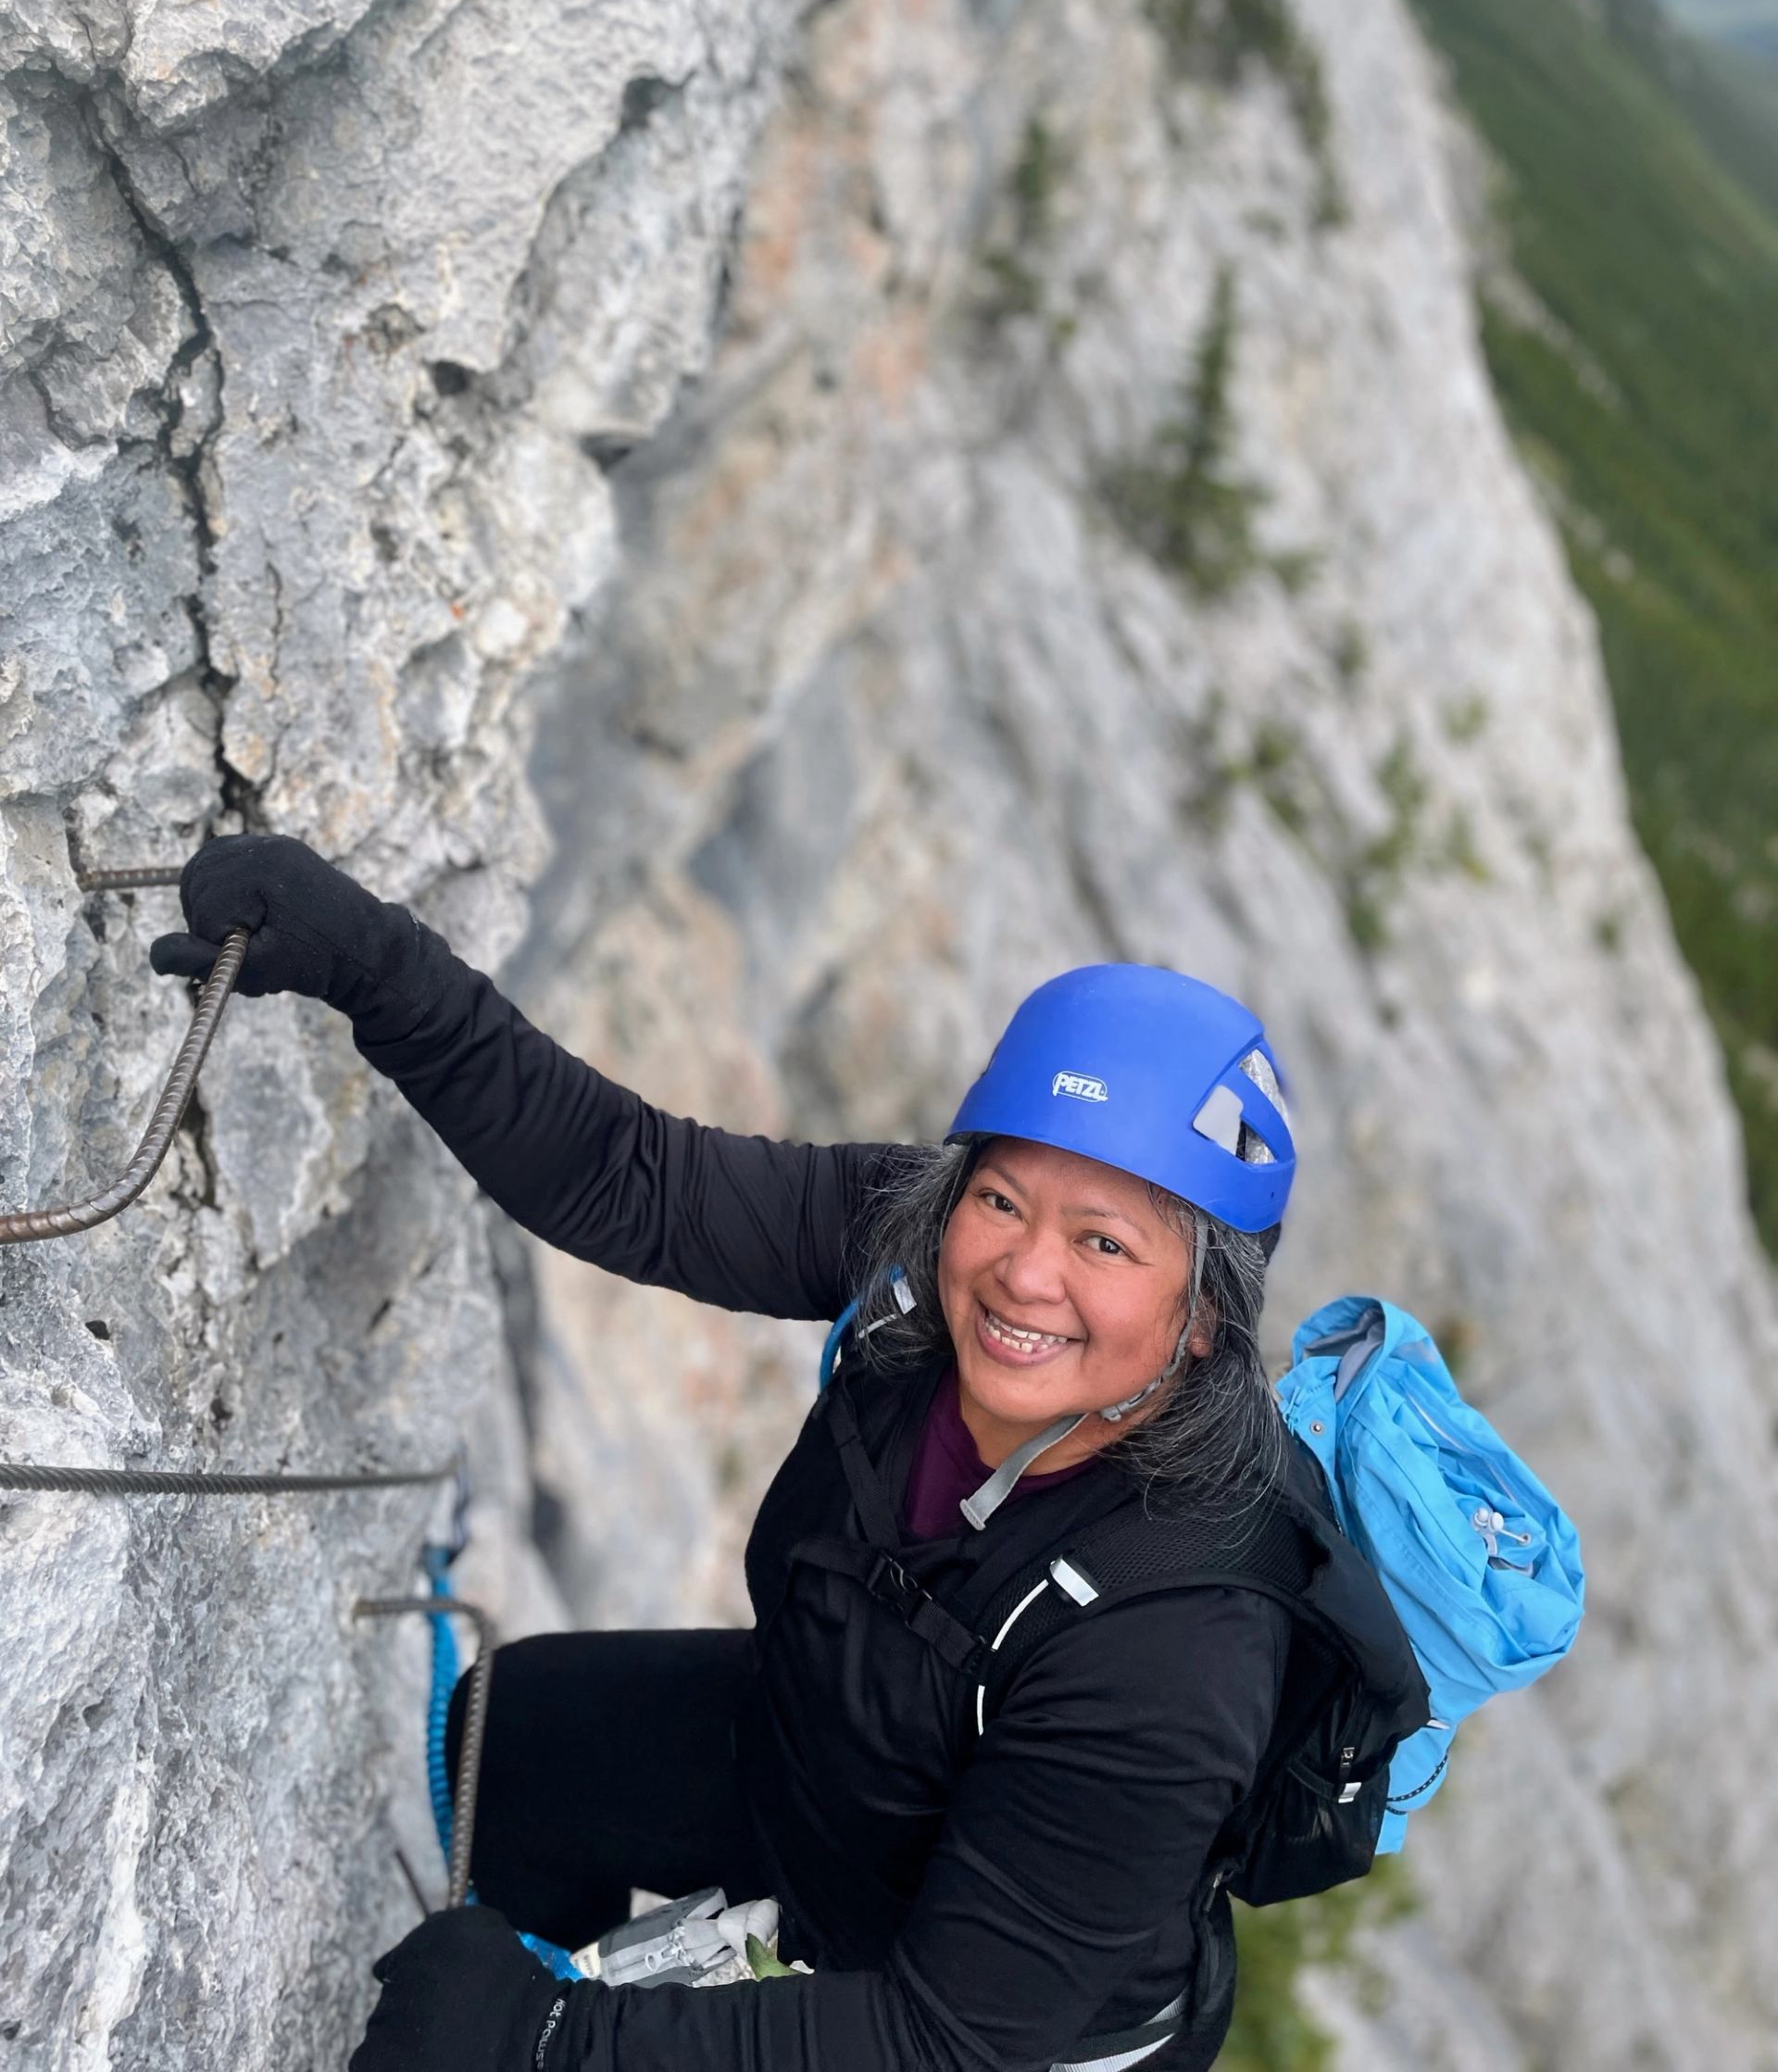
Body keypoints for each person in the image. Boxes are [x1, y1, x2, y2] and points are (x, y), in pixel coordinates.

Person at [153, 836, 1327, 2072]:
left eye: (1104, 1244)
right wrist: (373, 965)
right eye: (1002, 1200)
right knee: (522, 1736)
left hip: (984, 2023)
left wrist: (547, 2040)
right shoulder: (914, 1251)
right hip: (830, 1775)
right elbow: (632, 1177)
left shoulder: (1175, 1652)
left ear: (1201, 1318)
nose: (1024, 1272)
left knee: (497, 2035)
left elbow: (942, 2042)